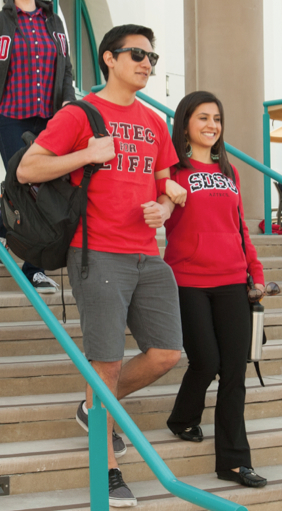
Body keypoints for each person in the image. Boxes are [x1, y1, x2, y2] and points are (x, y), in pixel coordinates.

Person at [17, 24, 187, 507]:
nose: (147, 64)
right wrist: (87, 152)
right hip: (98, 252)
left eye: (152, 57)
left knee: (166, 353)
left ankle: (93, 409)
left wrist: (167, 206)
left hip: (146, 254)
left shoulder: (154, 121)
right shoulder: (80, 113)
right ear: (108, 59)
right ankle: (109, 471)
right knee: (106, 363)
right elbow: (28, 168)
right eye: (137, 54)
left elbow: (166, 186)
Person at [164, 91, 267, 489]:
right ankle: (183, 418)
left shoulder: (229, 171)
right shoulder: (171, 169)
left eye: (217, 119)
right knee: (206, 361)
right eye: (203, 117)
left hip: (232, 281)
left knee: (235, 373)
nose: (212, 125)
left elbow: (241, 228)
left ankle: (235, 462)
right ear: (186, 123)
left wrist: (254, 273)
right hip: (188, 280)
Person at [0, 0, 76, 292]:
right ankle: (30, 262)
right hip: (10, 116)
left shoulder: (53, 20)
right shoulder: (4, 20)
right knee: (23, 185)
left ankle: (34, 268)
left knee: (44, 190)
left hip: (50, 119)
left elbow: (65, 68)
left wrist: (69, 101)